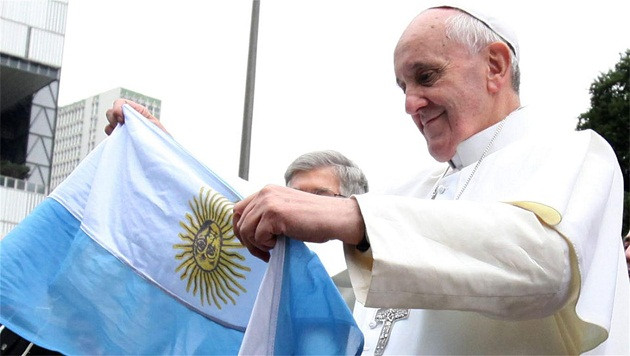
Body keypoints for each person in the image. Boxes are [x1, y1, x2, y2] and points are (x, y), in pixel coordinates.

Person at [228, 3, 629, 355]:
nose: (409, 103)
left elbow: (543, 265)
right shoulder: (409, 191)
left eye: (426, 76)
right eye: (403, 86)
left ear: (495, 66)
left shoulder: (575, 154)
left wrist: (353, 218)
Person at [284, 150, 368, 311]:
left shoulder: (373, 281)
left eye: (319, 196)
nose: (302, 206)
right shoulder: (270, 269)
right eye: (294, 196)